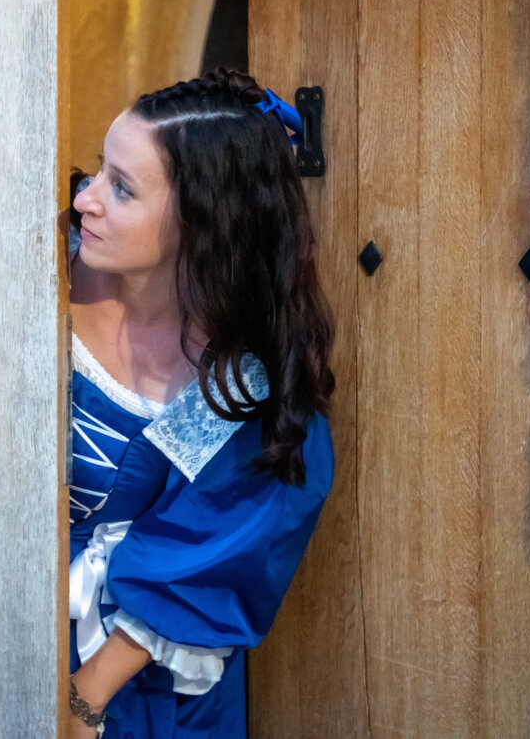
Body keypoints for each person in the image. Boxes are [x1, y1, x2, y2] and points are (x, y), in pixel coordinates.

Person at [66, 67, 336, 738]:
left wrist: (79, 702)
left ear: (202, 223)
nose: (84, 200)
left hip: (135, 687)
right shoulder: (37, 271)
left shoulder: (230, 382)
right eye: (99, 170)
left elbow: (209, 554)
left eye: (121, 189)